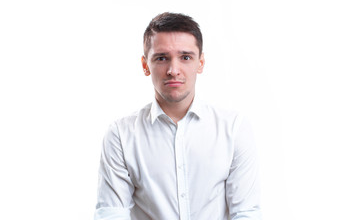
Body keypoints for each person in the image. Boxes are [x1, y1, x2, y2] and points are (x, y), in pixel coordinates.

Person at [94, 12, 262, 220]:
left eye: (185, 57)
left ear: (200, 63)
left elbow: (246, 213)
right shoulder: (120, 134)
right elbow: (112, 213)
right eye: (162, 58)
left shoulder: (234, 128)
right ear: (145, 65)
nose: (174, 70)